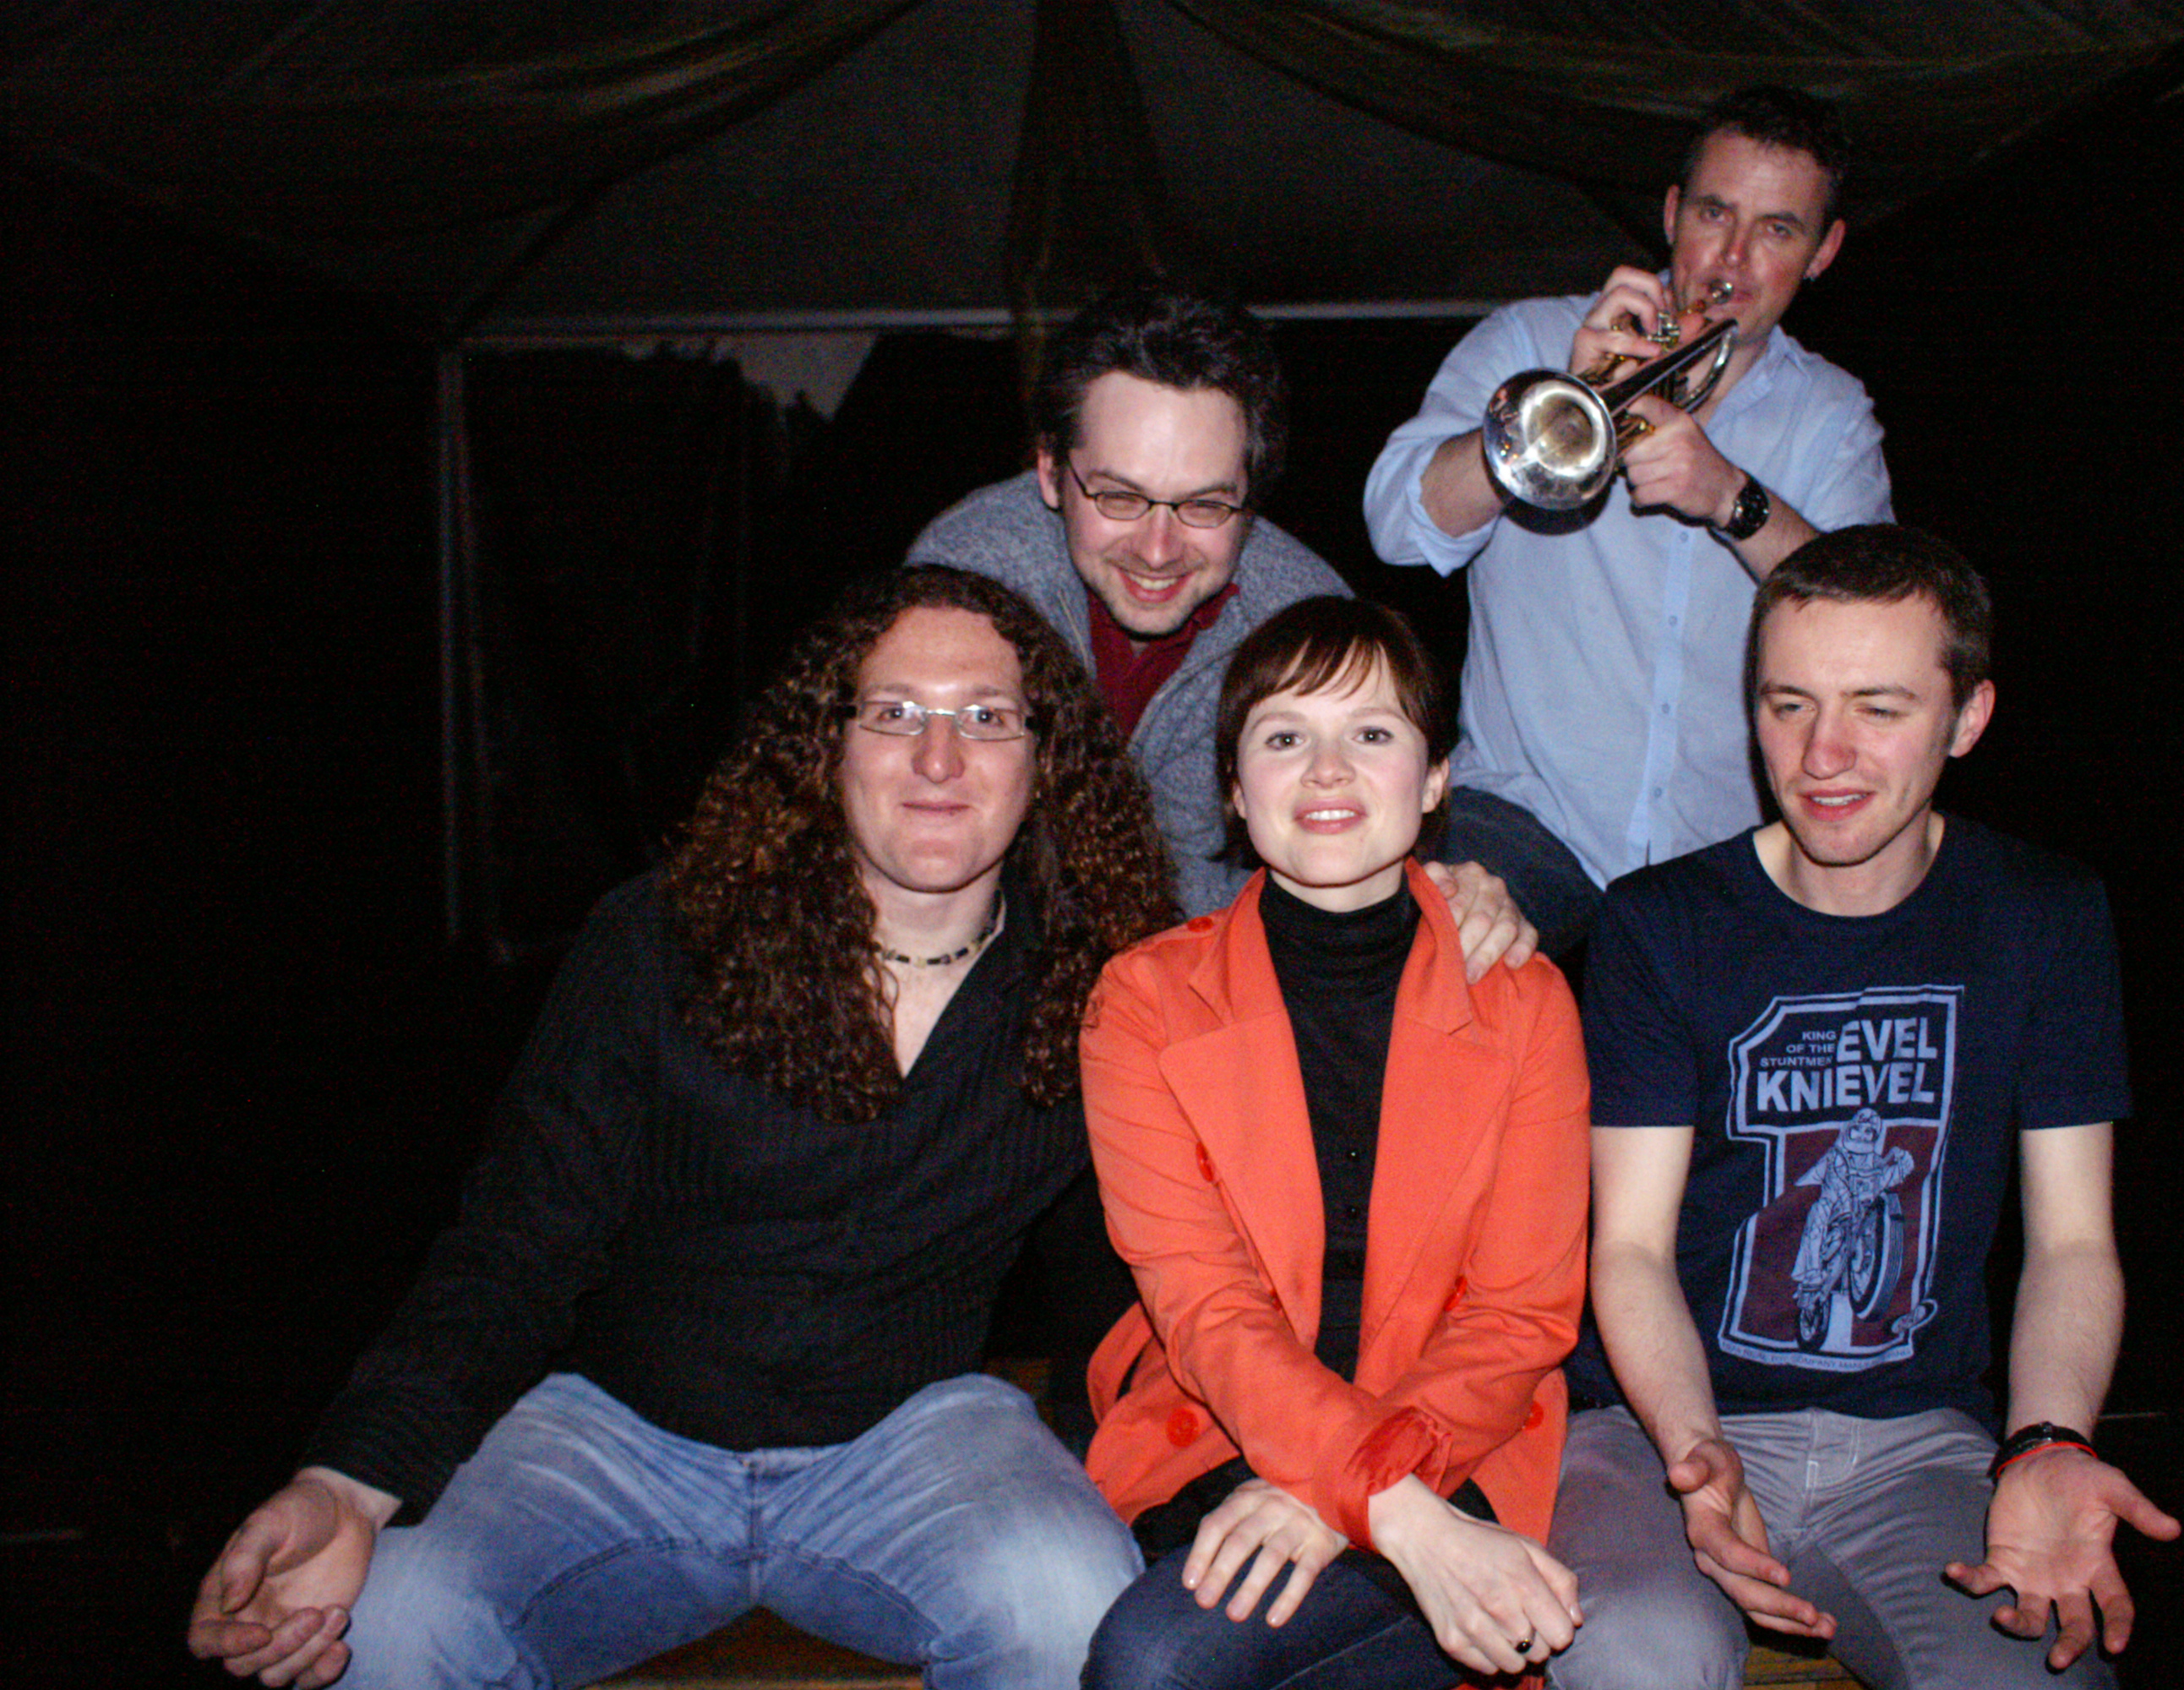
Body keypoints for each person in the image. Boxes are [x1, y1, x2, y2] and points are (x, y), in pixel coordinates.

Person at [186, 566, 1181, 1690]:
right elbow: (514, 1244)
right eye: (894, 712)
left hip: (914, 1439)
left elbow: (1135, 1276)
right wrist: (346, 1481)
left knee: (1076, 1604)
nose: (938, 758)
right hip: (617, 1435)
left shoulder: (1094, 988)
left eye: (986, 717)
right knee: (386, 1624)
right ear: (828, 744)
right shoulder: (666, 941)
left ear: (1045, 758)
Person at [1549, 527, 2180, 1689]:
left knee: (2036, 1676)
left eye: (1878, 709)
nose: (1822, 755)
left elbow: (2073, 1240)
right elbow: (1627, 1246)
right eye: (1787, 705)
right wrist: (1695, 1451)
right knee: (1637, 1652)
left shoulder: (2041, 915)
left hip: (1914, 1441)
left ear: (1967, 717)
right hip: (1653, 1428)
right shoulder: (1660, 923)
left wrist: (2047, 1440)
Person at [1076, 597, 1592, 1688]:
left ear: (1435, 778)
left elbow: (1520, 1317)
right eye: (1283, 735)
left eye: (1370, 731)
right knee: (1160, 1662)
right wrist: (1395, 1513)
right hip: (1227, 1431)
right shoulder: (1144, 1002)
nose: (1325, 769)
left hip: (1457, 1435)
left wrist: (1348, 1493)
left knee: (1160, 1660)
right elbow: (1206, 1309)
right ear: (1233, 787)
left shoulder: (1525, 1001)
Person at [1364, 86, 1894, 955]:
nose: (1731, 259)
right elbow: (1395, 523)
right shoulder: (1530, 340)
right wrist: (1574, 401)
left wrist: (1731, 496)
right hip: (1524, 822)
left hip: (1720, 853)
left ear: (1823, 251)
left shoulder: (1831, 416)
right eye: (1714, 214)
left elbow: (1875, 630)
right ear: (1671, 213)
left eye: (1776, 230)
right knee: (1435, 964)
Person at [910, 281, 1532, 973]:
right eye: (1119, 497)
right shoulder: (966, 582)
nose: (1157, 550)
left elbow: (1336, 863)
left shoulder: (1299, 621)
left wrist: (1436, 895)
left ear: (1252, 498)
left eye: (1204, 506)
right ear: (1052, 472)